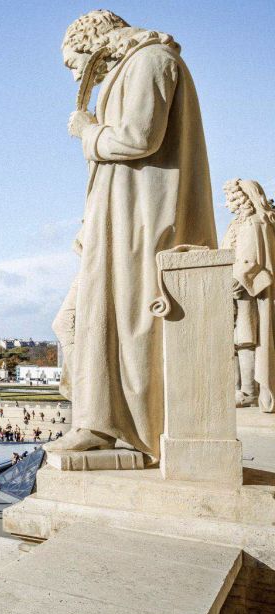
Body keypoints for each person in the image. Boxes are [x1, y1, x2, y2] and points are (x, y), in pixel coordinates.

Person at [49, 10, 216, 460]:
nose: (76, 75)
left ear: (93, 41)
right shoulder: (133, 67)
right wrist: (90, 222)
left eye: (72, 63)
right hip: (117, 218)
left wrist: (87, 132)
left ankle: (105, 424)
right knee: (82, 320)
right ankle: (97, 418)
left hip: (140, 220)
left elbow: (139, 138)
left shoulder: (151, 60)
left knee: (117, 321)